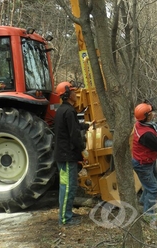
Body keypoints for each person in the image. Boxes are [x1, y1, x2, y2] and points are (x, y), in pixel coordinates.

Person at [54, 81, 90, 226]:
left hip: (64, 155)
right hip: (67, 156)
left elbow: (73, 126)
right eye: (74, 92)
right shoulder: (69, 111)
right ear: (68, 95)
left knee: (67, 185)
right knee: (68, 186)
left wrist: (86, 125)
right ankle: (65, 219)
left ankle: (67, 213)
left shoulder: (63, 110)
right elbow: (74, 134)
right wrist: (83, 149)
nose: (76, 94)